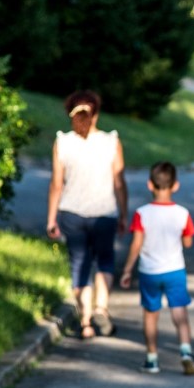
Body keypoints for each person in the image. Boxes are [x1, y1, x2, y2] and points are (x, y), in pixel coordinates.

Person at [46, 90, 128, 340]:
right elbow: (119, 181)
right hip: (104, 213)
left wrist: (51, 218)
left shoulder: (63, 142)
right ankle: (101, 309)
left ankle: (85, 322)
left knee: (79, 264)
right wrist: (124, 213)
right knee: (104, 261)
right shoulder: (111, 141)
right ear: (96, 114)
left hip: (72, 213)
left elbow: (57, 184)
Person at [120, 162, 194, 376]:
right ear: (175, 186)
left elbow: (136, 244)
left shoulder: (141, 213)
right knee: (180, 313)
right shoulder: (182, 213)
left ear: (149, 185)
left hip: (149, 271)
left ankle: (152, 359)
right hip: (175, 270)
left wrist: (128, 270)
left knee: (151, 314)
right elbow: (188, 243)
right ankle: (185, 351)